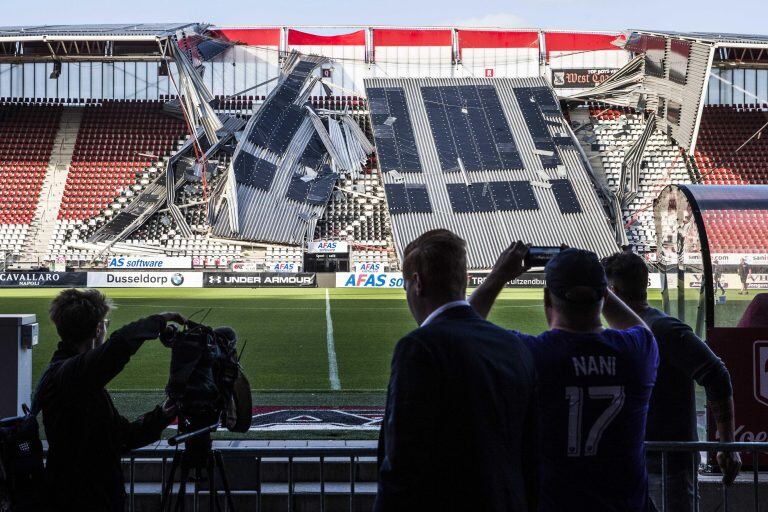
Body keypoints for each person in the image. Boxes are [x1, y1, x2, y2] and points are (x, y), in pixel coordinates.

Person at [470, 243, 658, 512]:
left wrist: (499, 275)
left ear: (548, 298)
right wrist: (589, 275)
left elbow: (464, 327)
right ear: (603, 297)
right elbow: (639, 328)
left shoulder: (529, 354)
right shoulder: (638, 352)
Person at [375, 230, 537, 512]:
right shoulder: (513, 346)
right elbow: (531, 451)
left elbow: (403, 460)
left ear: (418, 284)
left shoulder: (419, 348)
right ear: (463, 281)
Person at [602, 251, 741, 510]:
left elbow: (717, 375)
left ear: (612, 290)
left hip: (667, 470)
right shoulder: (624, 333)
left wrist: (727, 446)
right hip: (635, 465)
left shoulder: (664, 329)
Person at [36, 289, 186, 511]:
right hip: (81, 500)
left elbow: (120, 436)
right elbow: (118, 347)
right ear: (98, 328)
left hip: (89, 496)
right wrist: (160, 319)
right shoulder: (72, 375)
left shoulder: (72, 376)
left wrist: (161, 416)